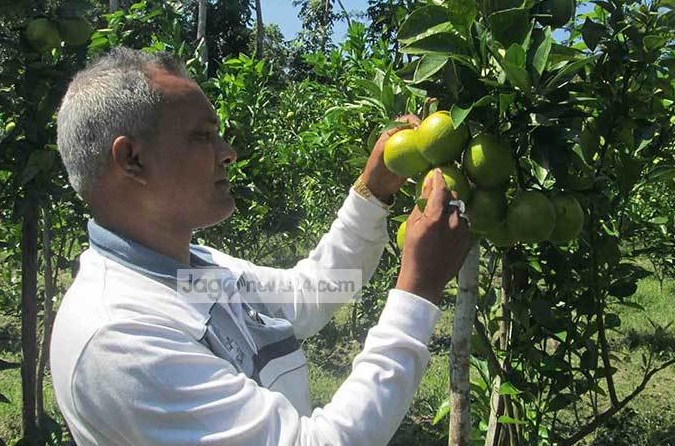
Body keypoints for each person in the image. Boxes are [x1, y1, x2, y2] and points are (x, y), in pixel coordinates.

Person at [50, 47, 471, 445]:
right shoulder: (118, 336)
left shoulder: (192, 271)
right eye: (202, 136)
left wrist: (374, 190)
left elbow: (313, 293)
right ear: (132, 160)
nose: (228, 152)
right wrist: (419, 287)